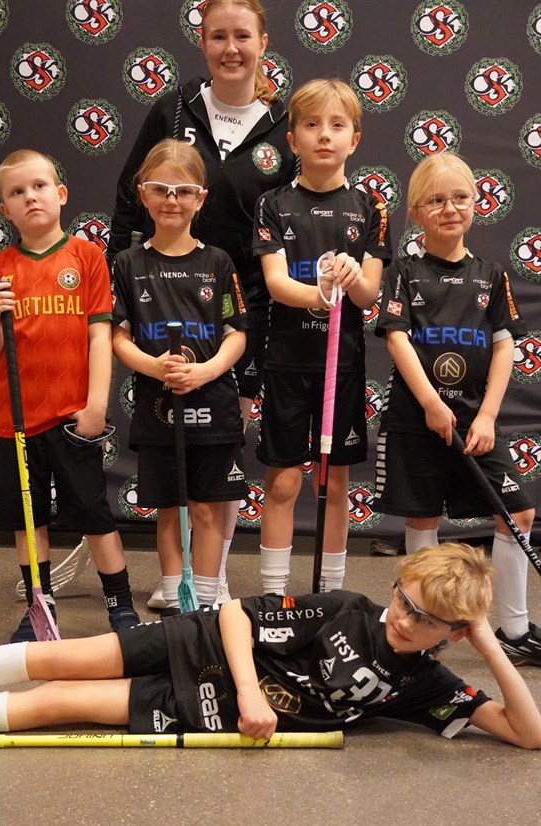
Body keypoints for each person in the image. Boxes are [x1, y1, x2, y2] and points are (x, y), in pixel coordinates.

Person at [0, 544, 540, 750]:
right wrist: (250, 693)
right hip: (205, 643)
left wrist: (488, 649)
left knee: (56, 701)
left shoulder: (424, 684)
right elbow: (236, 612)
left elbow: (526, 733)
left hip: (206, 709)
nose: (403, 619)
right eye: (404, 600)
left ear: (453, 633)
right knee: (60, 658)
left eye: (426, 621)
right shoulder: (347, 608)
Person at [107, 0, 297, 607]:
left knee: (222, 442)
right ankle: (181, 582)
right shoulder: (173, 108)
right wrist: (120, 273)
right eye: (218, 36)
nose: (230, 48)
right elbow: (129, 195)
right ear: (203, 42)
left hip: (247, 308)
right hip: (165, 301)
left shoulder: (285, 124)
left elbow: (295, 214)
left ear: (263, 42)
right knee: (170, 438)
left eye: (242, 36)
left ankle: (210, 582)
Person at [372, 152, 540, 667]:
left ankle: (515, 628)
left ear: (475, 204)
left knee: (518, 513)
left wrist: (486, 416)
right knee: (423, 519)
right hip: (416, 421)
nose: (450, 208)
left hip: (474, 422)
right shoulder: (403, 273)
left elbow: (505, 346)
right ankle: (422, 624)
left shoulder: (491, 275)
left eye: (461, 198)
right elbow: (397, 340)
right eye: (436, 201)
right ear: (416, 213)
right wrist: (429, 402)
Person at [0, 149, 139, 642]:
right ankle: (39, 608)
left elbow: (99, 337)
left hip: (72, 417)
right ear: (5, 210)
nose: (30, 197)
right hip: (15, 421)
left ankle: (120, 605)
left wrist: (97, 404)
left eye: (39, 186)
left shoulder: (86, 258)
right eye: (17, 192)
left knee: (93, 514)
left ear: (61, 194)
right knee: (28, 520)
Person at [252, 78, 392, 595]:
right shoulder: (273, 203)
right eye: (312, 125)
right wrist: (322, 291)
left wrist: (352, 280)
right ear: (293, 140)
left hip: (344, 367)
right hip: (287, 364)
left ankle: (331, 592)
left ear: (354, 139)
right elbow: (275, 283)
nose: (324, 135)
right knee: (284, 481)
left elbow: (369, 294)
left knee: (333, 482)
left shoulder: (370, 207)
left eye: (337, 125)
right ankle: (274, 593)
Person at [111, 139, 249, 609]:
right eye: (161, 189)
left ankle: (205, 603)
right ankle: (175, 596)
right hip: (158, 408)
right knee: (170, 508)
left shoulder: (218, 262)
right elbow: (117, 337)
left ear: (201, 198)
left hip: (213, 406)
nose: (172, 200)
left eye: (184, 191)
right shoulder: (128, 264)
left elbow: (237, 334)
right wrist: (154, 366)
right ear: (143, 194)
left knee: (207, 507)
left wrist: (205, 371)